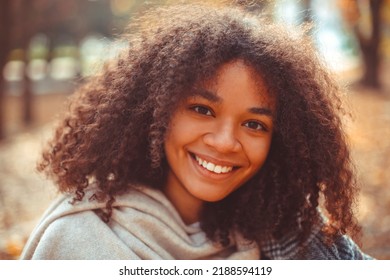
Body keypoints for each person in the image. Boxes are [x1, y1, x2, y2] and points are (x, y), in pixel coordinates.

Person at [20, 3, 372, 260]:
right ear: (156, 110)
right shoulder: (77, 240)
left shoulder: (294, 234)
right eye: (202, 110)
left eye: (254, 124)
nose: (223, 142)